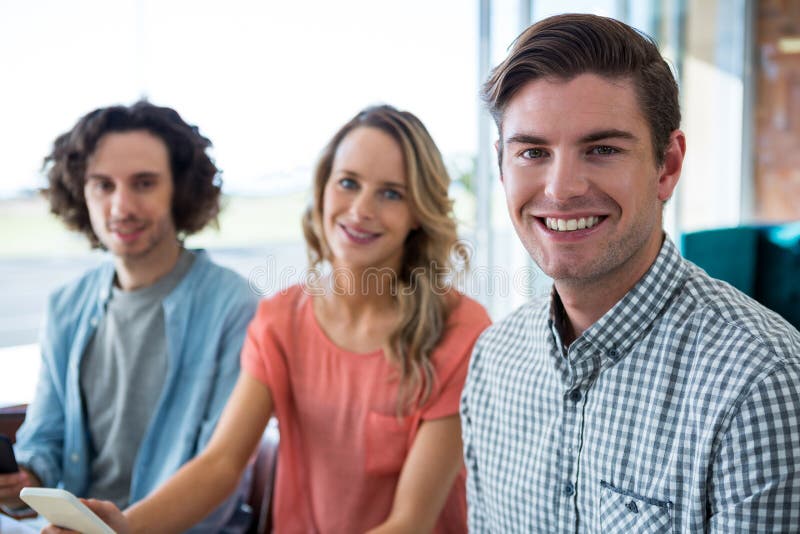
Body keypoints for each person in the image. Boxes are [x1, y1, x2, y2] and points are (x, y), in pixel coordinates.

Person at [62, 105, 492, 534]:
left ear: (419, 211)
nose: (361, 209)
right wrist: (124, 527)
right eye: (348, 183)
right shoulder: (281, 319)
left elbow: (411, 522)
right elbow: (221, 463)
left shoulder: (461, 330)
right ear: (323, 189)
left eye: (391, 193)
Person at [461, 13, 800, 533]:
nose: (561, 188)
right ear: (503, 168)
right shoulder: (493, 363)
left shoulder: (760, 382)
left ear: (667, 165)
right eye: (533, 151)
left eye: (602, 149)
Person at [0, 101, 258, 532]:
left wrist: (124, 528)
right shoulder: (66, 306)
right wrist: (24, 482)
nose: (121, 207)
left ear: (179, 189)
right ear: (81, 191)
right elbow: (44, 438)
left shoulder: (234, 306)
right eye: (103, 185)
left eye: (144, 183)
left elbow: (221, 472)